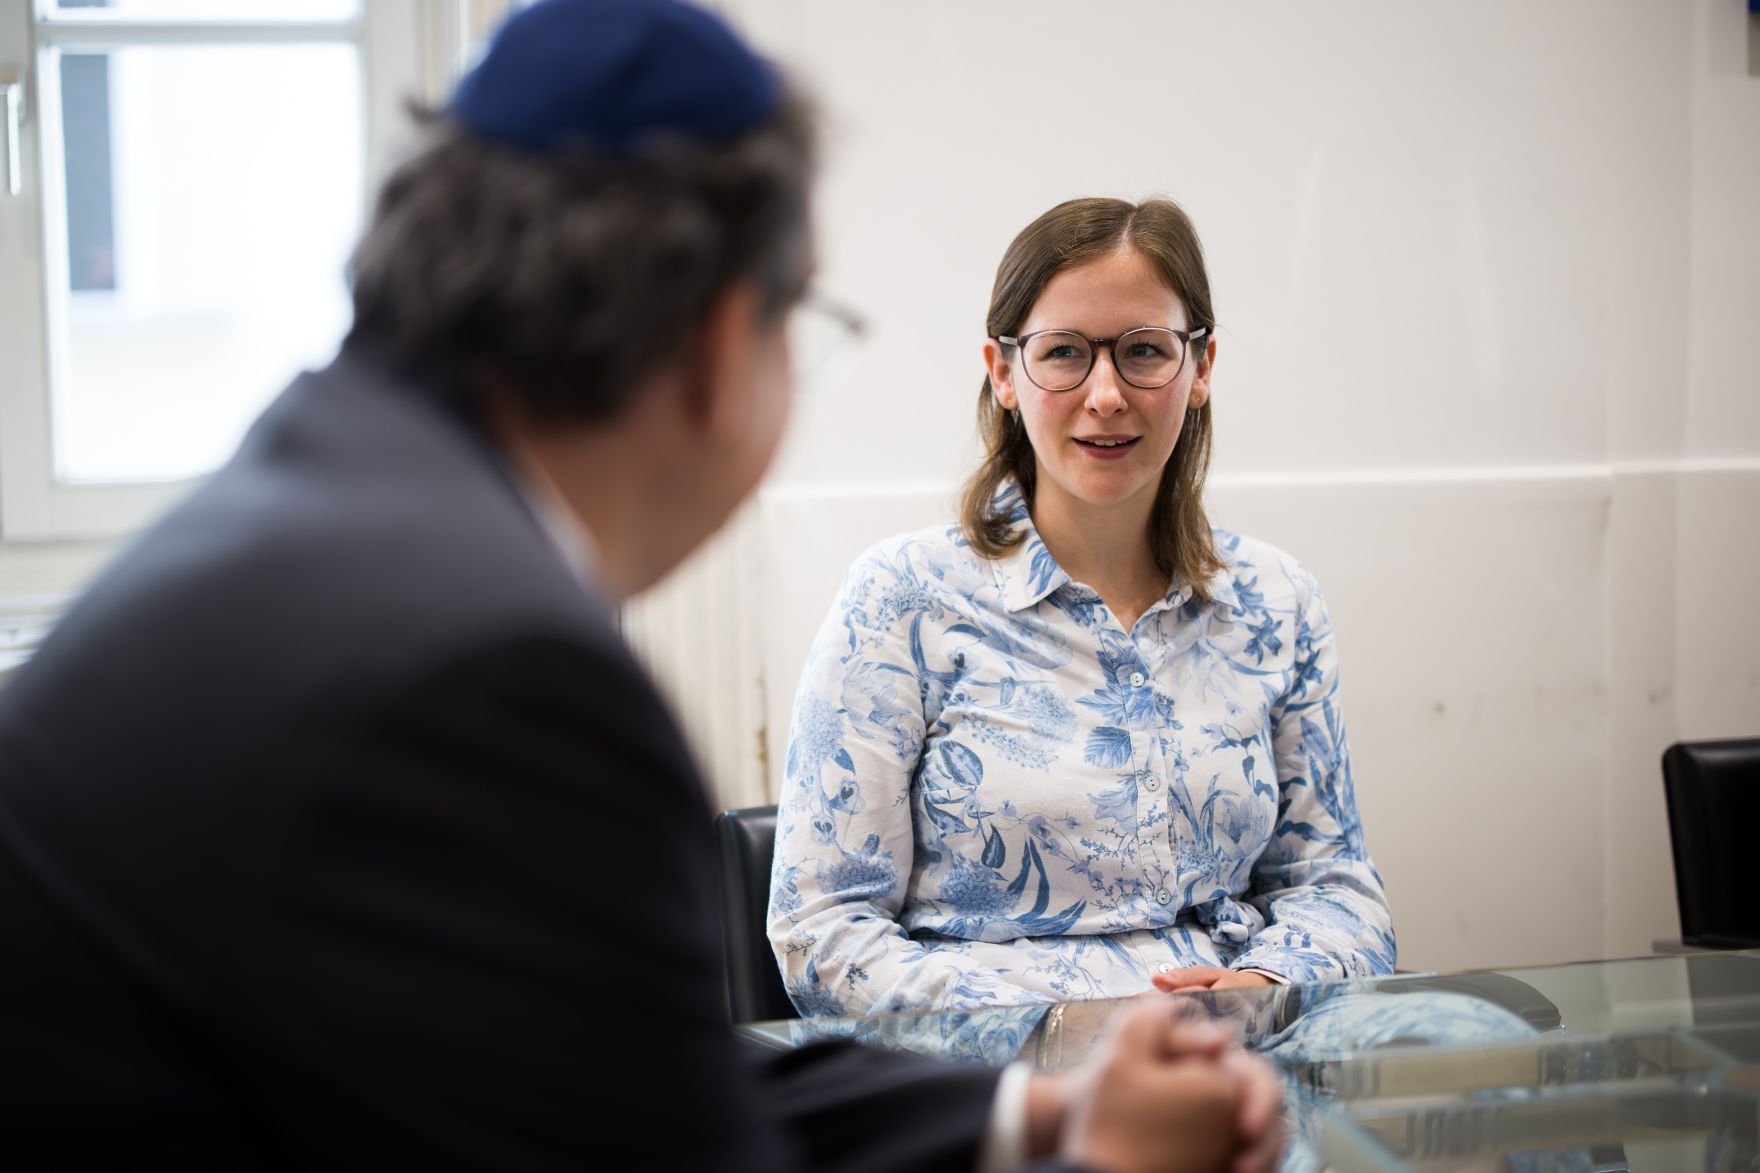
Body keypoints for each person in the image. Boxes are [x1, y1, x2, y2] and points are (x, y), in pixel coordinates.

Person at [0, 2, 1283, 1170]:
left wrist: (1030, 1116)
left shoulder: (338, 494)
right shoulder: (501, 670)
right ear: (728, 343)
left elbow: (607, 1065)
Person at [770, 196, 1396, 1018]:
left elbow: (1336, 885)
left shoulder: (1277, 601)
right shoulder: (900, 600)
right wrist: (1066, 1033)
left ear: (1200, 368)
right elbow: (823, 931)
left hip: (1238, 1063)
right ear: (1003, 371)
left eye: (1145, 351)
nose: (1106, 394)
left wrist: (1266, 988)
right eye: (1063, 353)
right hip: (1003, 1095)